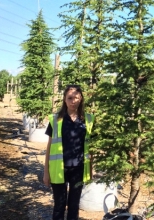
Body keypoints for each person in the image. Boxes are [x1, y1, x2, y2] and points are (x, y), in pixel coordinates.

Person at [43, 84, 95, 220]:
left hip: (78, 169)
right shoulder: (55, 120)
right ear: (65, 100)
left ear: (81, 99)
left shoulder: (88, 120)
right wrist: (46, 173)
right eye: (70, 98)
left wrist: (90, 170)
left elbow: (91, 147)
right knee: (59, 205)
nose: (73, 101)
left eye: (76, 98)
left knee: (74, 206)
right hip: (59, 169)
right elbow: (49, 147)